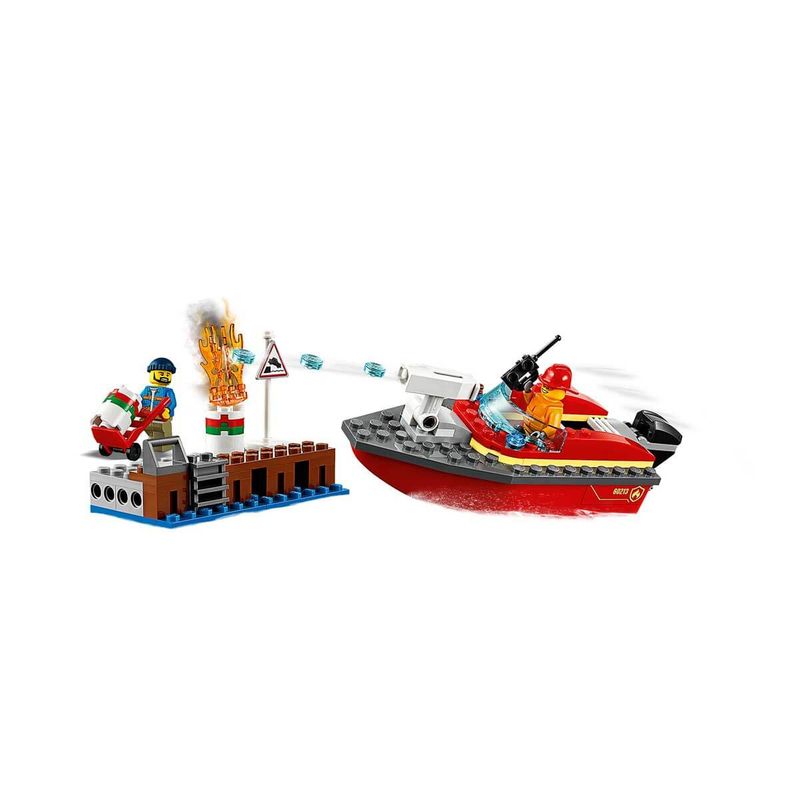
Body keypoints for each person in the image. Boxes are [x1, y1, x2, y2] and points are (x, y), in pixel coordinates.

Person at [523, 363, 572, 438]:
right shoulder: (538, 396)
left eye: (550, 388)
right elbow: (529, 403)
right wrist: (527, 392)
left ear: (562, 391)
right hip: (526, 427)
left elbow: (553, 427)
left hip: (538, 436)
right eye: (544, 385)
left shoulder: (555, 409)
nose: (545, 388)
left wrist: (544, 434)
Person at [141, 357, 177, 440]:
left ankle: (165, 445)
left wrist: (167, 410)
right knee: (150, 431)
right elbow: (140, 399)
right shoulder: (146, 389)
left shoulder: (168, 391)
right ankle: (152, 442)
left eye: (167, 375)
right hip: (147, 416)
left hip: (162, 417)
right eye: (161, 374)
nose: (164, 377)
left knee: (164, 431)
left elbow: (173, 403)